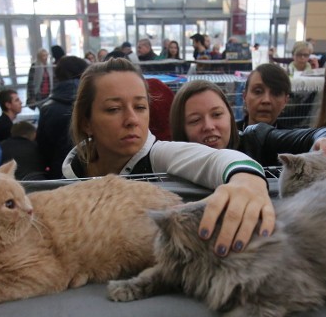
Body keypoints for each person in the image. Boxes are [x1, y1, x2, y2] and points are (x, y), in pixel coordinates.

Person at [64, 58, 274, 257]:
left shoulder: (159, 155)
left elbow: (218, 159)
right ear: (86, 123)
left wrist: (248, 181)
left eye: (140, 107)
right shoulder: (69, 172)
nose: (132, 120)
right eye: (113, 109)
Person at [170, 79, 326, 168]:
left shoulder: (256, 138)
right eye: (195, 120)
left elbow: (322, 133)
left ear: (230, 116)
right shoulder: (170, 162)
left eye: (217, 114)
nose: (209, 126)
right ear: (181, 129)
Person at [38, 56, 89, 179]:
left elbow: (43, 147)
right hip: (89, 170)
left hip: (58, 171)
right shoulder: (92, 102)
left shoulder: (47, 108)